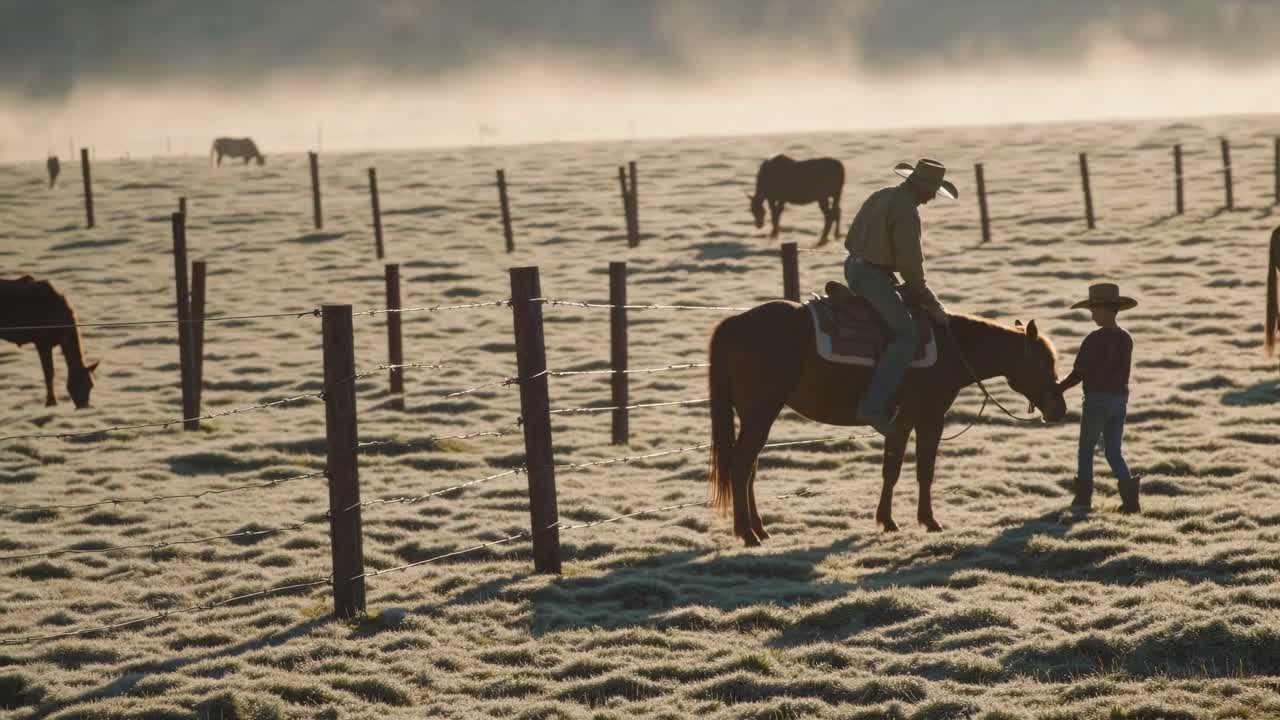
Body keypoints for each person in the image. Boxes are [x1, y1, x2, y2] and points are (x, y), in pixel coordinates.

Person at [844, 158, 956, 436]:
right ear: (921, 187)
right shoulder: (906, 211)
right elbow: (911, 268)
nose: (931, 198)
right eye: (932, 192)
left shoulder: (882, 194)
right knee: (907, 335)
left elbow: (851, 237)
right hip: (873, 275)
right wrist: (932, 303)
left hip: (854, 266)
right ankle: (872, 407)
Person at [1057, 283, 1140, 513]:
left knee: (1086, 449)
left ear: (1106, 309)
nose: (1092, 314)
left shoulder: (1093, 339)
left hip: (1096, 402)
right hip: (1119, 402)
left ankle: (1083, 501)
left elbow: (1078, 373)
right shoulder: (1126, 338)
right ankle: (1131, 503)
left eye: (1094, 310)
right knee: (1113, 451)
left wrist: (1058, 389)